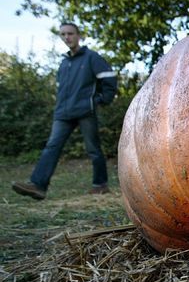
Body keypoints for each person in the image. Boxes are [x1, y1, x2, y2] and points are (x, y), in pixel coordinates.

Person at [12, 22, 117, 200]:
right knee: (51, 147)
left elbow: (109, 79)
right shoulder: (63, 63)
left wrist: (97, 100)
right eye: (63, 34)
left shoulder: (91, 57)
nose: (67, 37)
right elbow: (61, 89)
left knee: (93, 149)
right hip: (63, 113)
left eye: (70, 33)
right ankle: (38, 186)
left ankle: (100, 185)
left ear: (78, 35)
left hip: (85, 112)